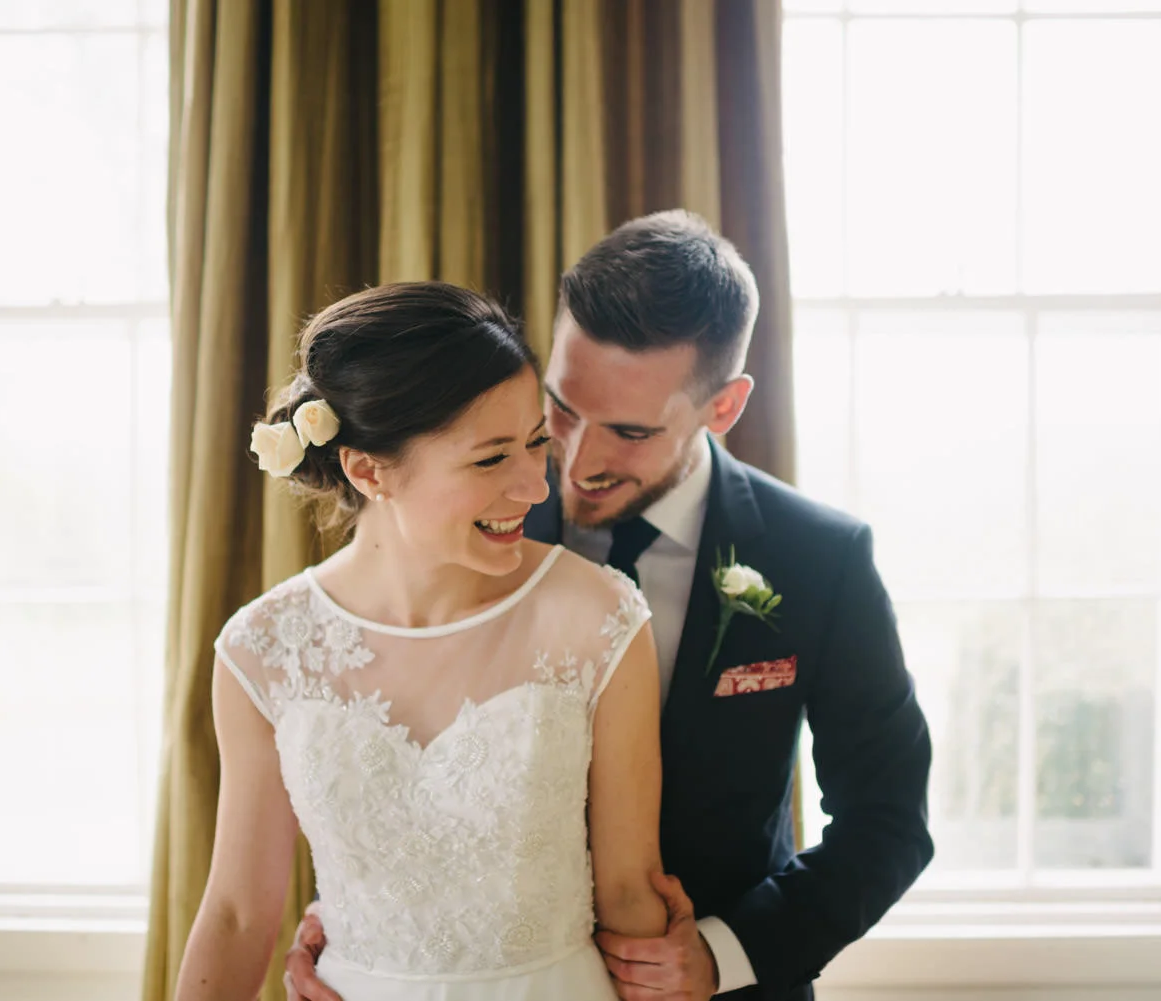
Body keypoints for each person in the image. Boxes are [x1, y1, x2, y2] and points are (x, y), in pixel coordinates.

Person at [287, 211, 935, 1001]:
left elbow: (889, 819)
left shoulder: (818, 560)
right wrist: (373, 927)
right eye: (560, 408)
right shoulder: (468, 519)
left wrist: (723, 953)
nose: (575, 461)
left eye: (628, 430)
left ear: (722, 407)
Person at [175, 281, 668, 1001]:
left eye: (535, 444)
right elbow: (237, 911)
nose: (534, 488)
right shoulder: (263, 648)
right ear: (368, 470)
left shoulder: (598, 616)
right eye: (490, 458)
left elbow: (630, 891)